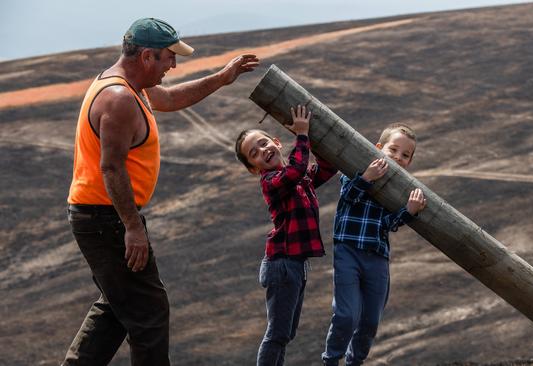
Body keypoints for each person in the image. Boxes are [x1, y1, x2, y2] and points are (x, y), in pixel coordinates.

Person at [63, 17, 259, 366]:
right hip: (105, 218)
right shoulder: (119, 98)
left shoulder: (130, 87)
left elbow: (168, 98)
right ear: (148, 56)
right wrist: (133, 227)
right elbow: (111, 167)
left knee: (117, 305)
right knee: (150, 313)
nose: (174, 65)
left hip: (103, 215)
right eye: (170, 57)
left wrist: (221, 77)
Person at [234, 105, 338, 366]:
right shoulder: (272, 182)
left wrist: (312, 134)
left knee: (286, 333)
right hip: (281, 264)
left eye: (263, 142)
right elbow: (296, 170)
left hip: (295, 264)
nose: (263, 151)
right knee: (277, 334)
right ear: (254, 168)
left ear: (276, 142)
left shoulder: (300, 178)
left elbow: (326, 167)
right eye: (254, 154)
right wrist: (302, 135)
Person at [322, 123, 427, 366]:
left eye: (405, 155)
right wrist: (367, 178)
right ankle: (331, 360)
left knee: (370, 320)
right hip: (347, 251)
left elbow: (386, 224)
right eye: (393, 149)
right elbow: (348, 197)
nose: (398, 157)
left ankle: (354, 362)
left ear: (410, 162)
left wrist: (408, 211)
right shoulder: (357, 168)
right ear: (378, 147)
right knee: (346, 314)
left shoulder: (399, 188)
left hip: (377, 256)